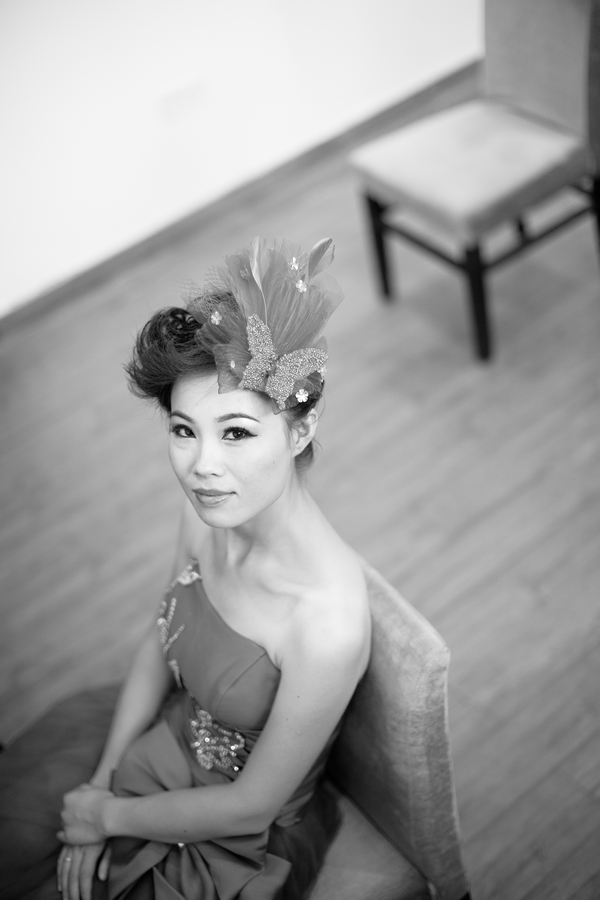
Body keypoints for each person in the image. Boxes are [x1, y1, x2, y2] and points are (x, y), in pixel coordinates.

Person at [18, 237, 370, 900]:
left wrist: (106, 818)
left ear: (299, 430)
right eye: (184, 431)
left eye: (236, 432)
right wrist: (101, 778)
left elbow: (250, 808)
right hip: (164, 741)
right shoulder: (205, 516)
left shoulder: (328, 623)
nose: (202, 467)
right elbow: (162, 636)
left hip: (237, 836)